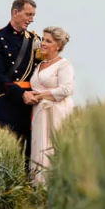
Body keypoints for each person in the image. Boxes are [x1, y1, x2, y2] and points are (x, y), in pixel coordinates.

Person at [0, 0, 42, 178]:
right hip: (8, 104)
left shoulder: (34, 40)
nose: (31, 19)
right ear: (15, 12)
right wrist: (21, 94)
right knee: (6, 155)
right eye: (28, 14)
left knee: (29, 156)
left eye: (33, 15)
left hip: (31, 107)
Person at [23, 26, 74, 186]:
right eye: (43, 39)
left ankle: (55, 188)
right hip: (39, 113)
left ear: (58, 46)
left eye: (48, 41)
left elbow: (67, 89)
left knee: (52, 148)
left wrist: (40, 95)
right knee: (39, 149)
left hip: (56, 113)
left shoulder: (63, 65)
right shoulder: (39, 65)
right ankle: (38, 189)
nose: (43, 43)